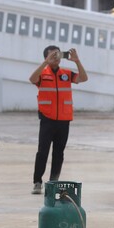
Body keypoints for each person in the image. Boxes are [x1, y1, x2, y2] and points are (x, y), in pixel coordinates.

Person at [28, 46, 88, 194]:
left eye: (58, 54)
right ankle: (37, 182)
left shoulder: (66, 74)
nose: (56, 57)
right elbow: (32, 79)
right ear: (46, 57)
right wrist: (45, 63)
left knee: (59, 153)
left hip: (64, 120)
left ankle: (53, 181)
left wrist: (77, 61)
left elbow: (83, 78)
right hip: (47, 119)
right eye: (52, 55)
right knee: (42, 152)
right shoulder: (42, 74)